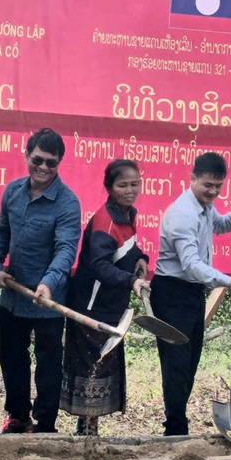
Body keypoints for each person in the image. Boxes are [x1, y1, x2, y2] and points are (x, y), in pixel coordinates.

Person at [151, 152, 231, 436]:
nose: (213, 191)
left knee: (190, 360)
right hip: (172, 293)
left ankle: (177, 420)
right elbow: (191, 265)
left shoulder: (204, 207)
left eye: (218, 186)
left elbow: (218, 224)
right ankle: (175, 428)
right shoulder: (182, 214)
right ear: (193, 178)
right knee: (177, 363)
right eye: (207, 185)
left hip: (191, 293)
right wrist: (228, 281)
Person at [0, 127, 81, 434]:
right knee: (11, 357)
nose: (43, 168)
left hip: (47, 300)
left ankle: (44, 424)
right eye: (37, 159)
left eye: (51, 163)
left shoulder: (67, 202)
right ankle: (18, 416)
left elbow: (66, 248)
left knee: (49, 363)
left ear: (59, 163)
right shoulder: (13, 191)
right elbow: (2, 231)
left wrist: (49, 283)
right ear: (27, 155)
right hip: (13, 296)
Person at [60, 159, 151, 436]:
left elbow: (126, 250)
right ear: (109, 188)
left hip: (113, 307)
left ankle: (90, 430)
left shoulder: (128, 214)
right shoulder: (104, 220)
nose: (129, 190)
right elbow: (100, 265)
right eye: (122, 185)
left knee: (102, 366)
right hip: (91, 309)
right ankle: (86, 431)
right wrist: (132, 280)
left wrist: (141, 259)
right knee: (91, 368)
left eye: (134, 184)